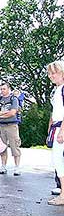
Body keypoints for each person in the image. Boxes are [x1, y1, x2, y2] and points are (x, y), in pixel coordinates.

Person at [0, 83, 21, 176]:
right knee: (2, 147)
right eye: (1, 89)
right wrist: (4, 113)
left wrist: (1, 114)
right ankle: (3, 166)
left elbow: (12, 113)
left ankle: (17, 168)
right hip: (1, 126)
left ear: (9, 89)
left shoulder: (14, 99)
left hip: (12, 125)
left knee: (15, 146)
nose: (2, 91)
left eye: (4, 89)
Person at [46, 60, 64, 205]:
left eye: (54, 73)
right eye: (49, 73)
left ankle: (63, 195)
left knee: (59, 161)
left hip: (61, 128)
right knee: (58, 161)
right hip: (56, 127)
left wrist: (62, 131)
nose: (51, 76)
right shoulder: (57, 90)